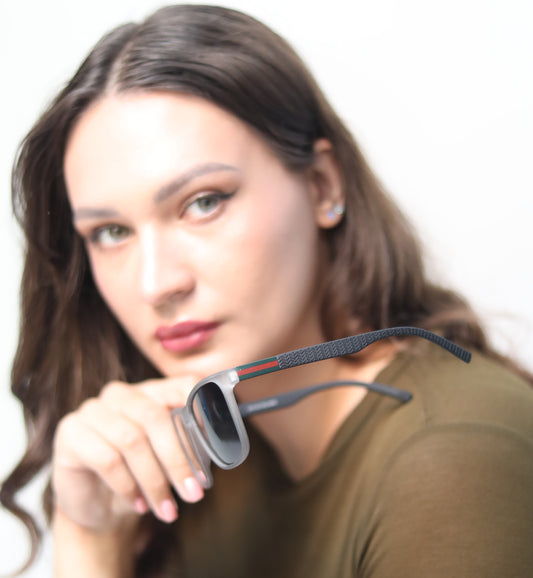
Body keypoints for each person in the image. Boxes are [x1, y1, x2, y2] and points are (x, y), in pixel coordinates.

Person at [1, 4, 532, 577]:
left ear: (322, 186)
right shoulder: (199, 456)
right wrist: (91, 536)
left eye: (204, 202)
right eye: (111, 232)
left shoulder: (451, 457)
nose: (157, 285)